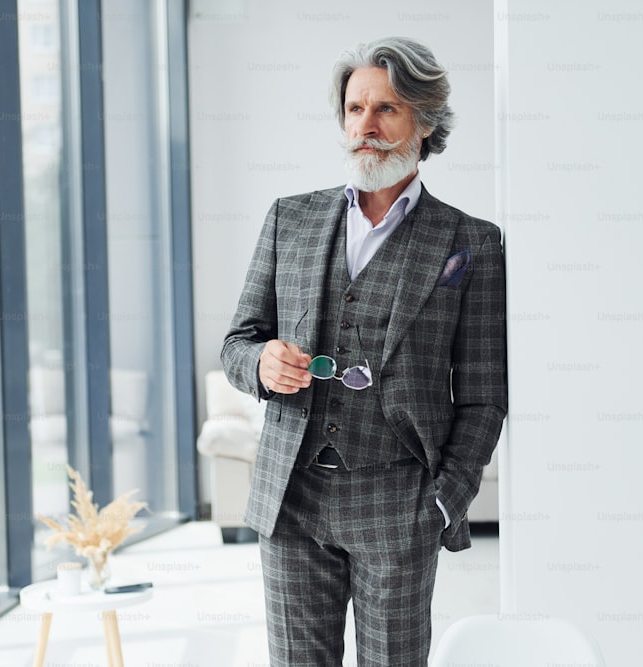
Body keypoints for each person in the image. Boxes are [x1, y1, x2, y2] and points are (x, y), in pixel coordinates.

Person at [221, 36, 507, 666]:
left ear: (424, 123)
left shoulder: (472, 243)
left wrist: (443, 501)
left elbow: (485, 396)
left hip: (400, 502)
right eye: (355, 109)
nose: (366, 126)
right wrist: (262, 363)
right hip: (290, 496)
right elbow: (236, 343)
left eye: (387, 110)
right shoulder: (288, 220)